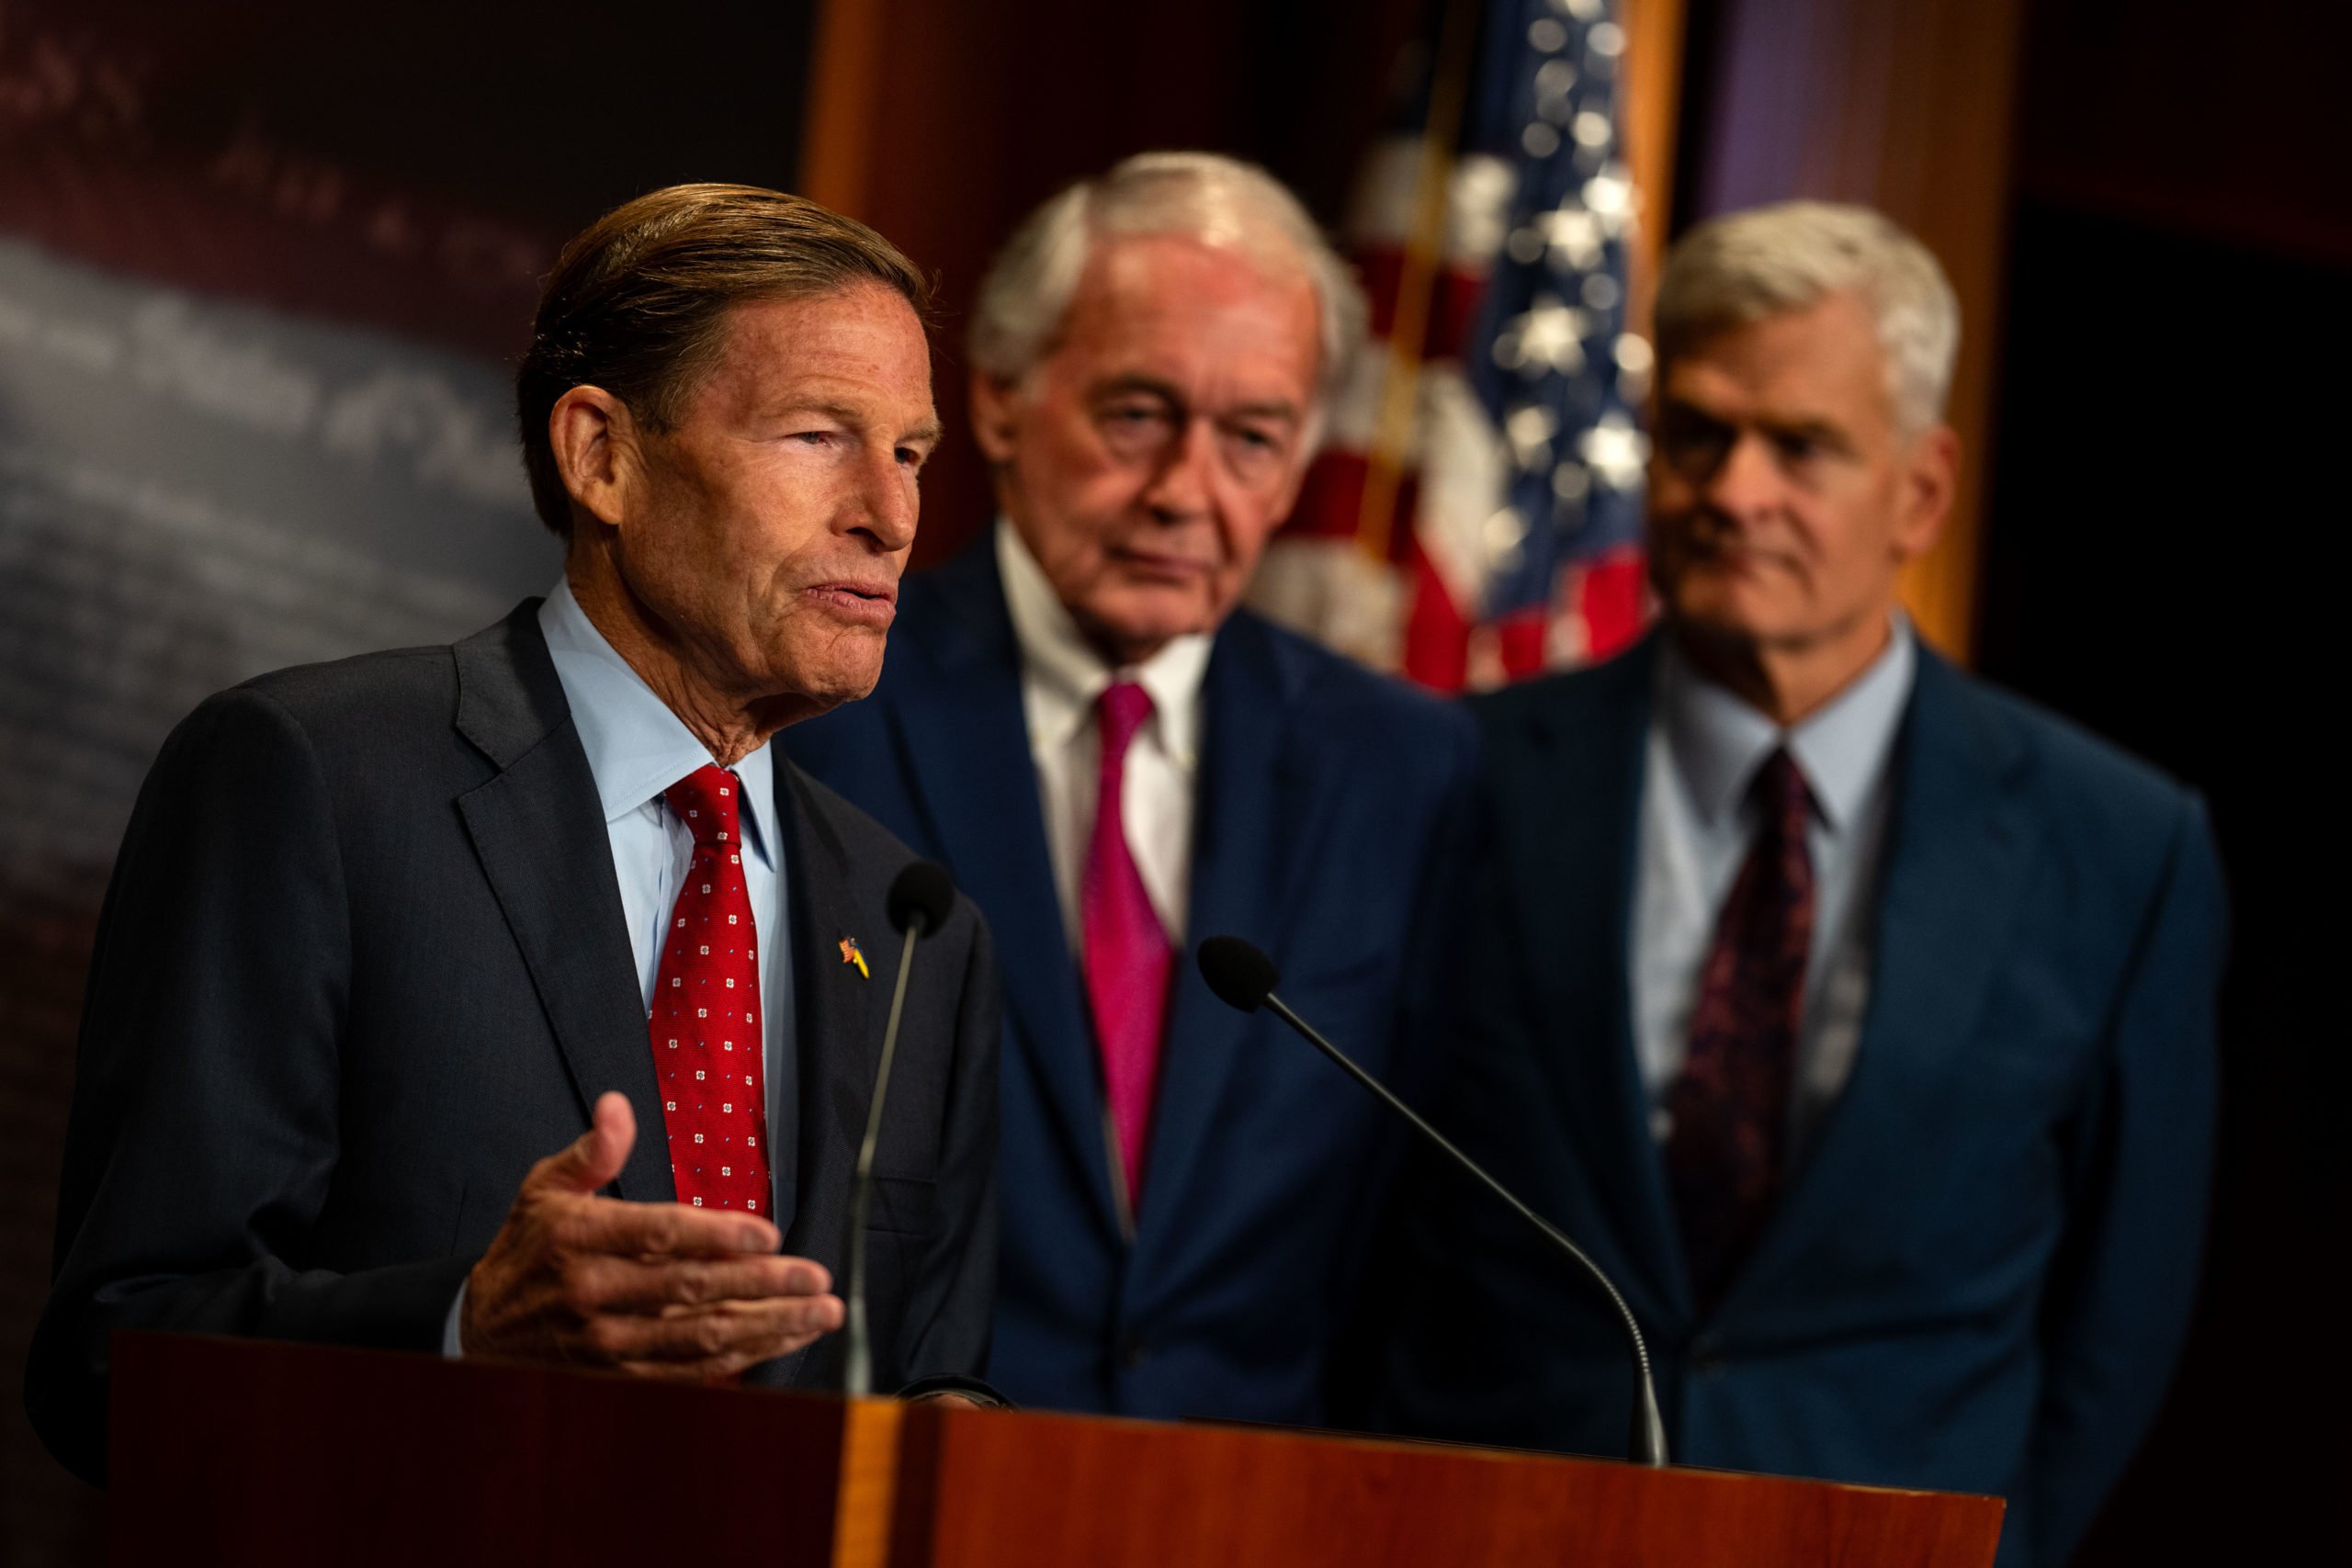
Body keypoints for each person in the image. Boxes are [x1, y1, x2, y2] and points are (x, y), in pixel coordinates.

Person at [28, 185, 1001, 1484]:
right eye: (818, 435)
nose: (889, 514)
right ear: (602, 454)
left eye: (914, 453)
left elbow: (930, 1380)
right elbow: (111, 1358)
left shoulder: (915, 928)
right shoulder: (315, 781)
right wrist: (460, 1331)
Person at [1376, 202, 2225, 1568]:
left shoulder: (2122, 848)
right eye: (1701, 435)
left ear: (1922, 490)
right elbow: (1373, 1224)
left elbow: (2117, 1320)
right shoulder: (1457, 777)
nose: (1735, 490)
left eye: (1803, 447)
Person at [785, 153, 1477, 1424]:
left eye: (1252, 438)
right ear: (998, 402)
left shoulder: (1409, 770)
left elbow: (1413, 1245)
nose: (1185, 493)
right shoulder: (824, 711)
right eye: (1138, 415)